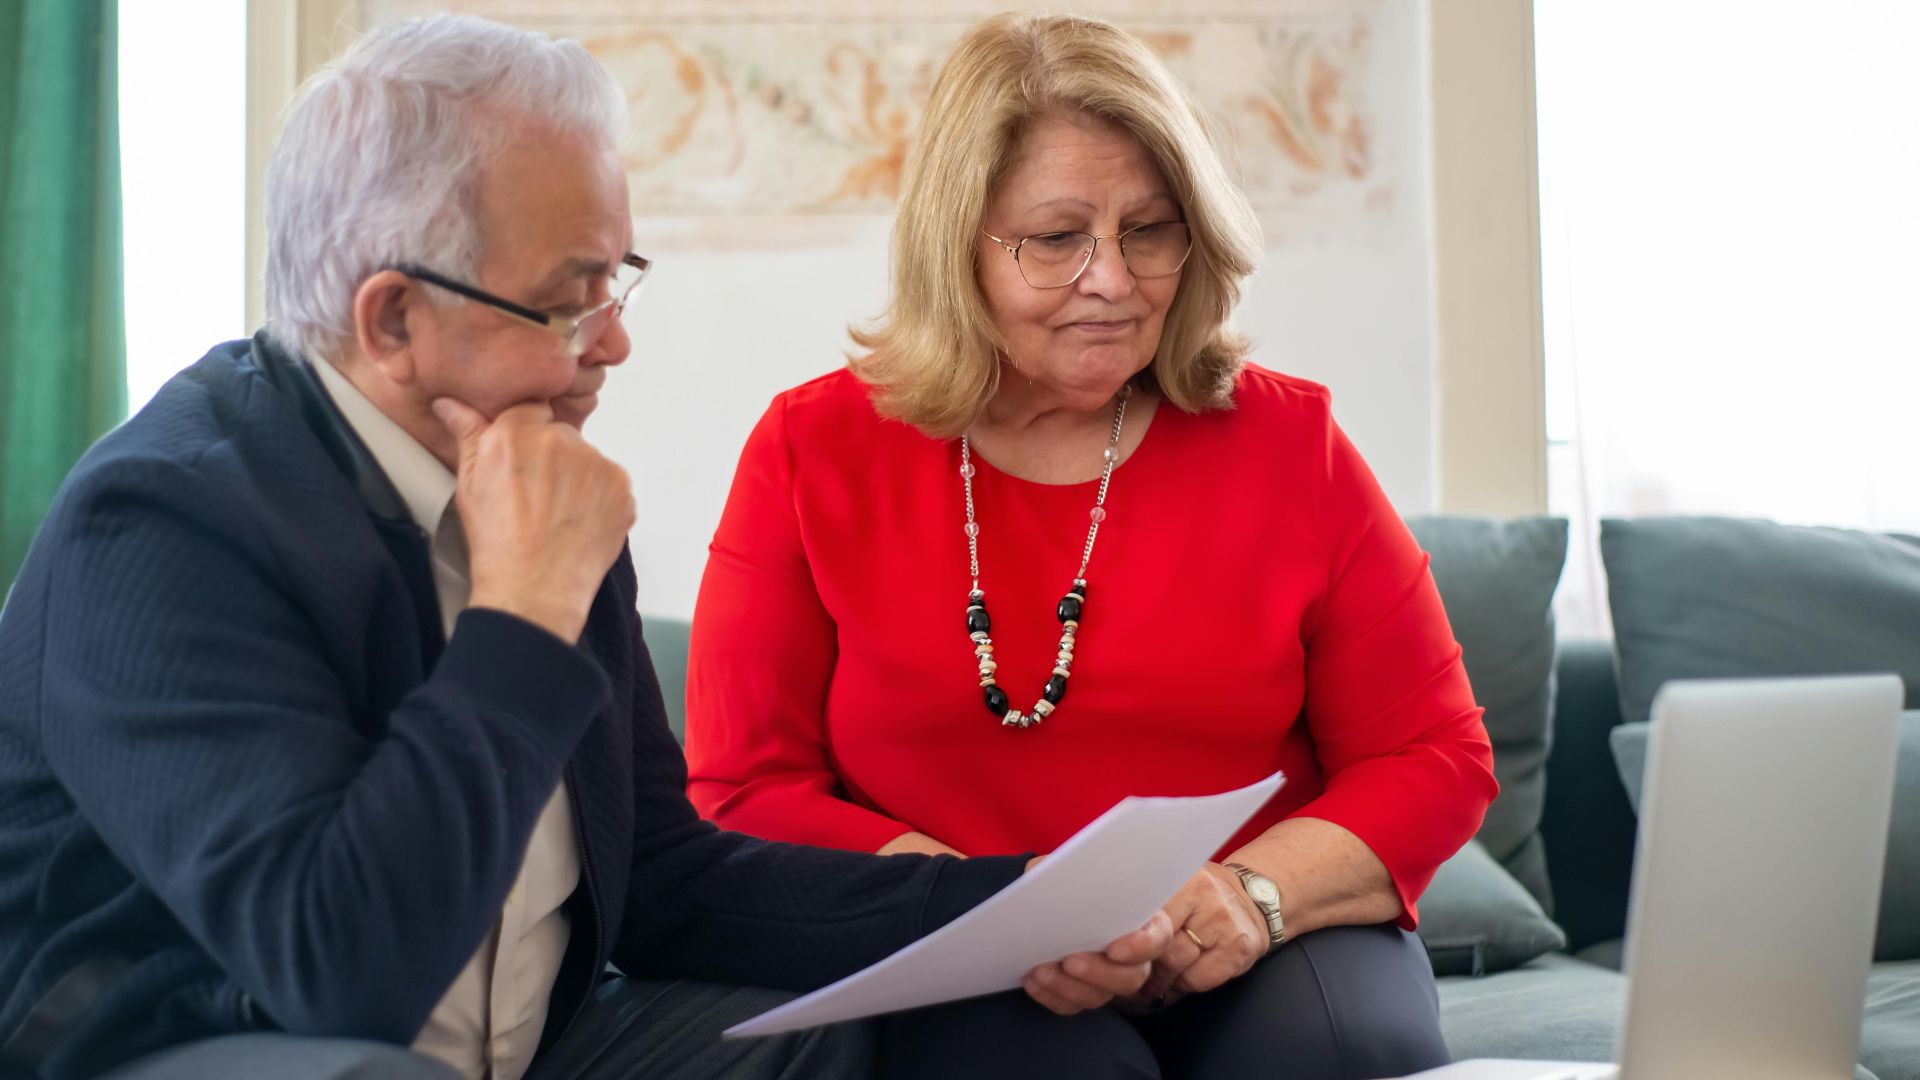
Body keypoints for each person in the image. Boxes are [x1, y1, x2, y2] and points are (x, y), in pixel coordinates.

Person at [0, 15, 1170, 1080]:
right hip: (221, 1051)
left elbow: (667, 878)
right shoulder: (165, 523)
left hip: (541, 1047)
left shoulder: (536, 473)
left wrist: (1017, 908)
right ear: (394, 319)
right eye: (570, 298)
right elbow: (345, 969)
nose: (611, 342)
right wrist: (520, 613)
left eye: (619, 282)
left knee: (934, 1044)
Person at [684, 13, 1499, 1080]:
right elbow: (742, 788)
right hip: (960, 943)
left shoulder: (1290, 442)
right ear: (958, 244)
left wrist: (1250, 896)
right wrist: (993, 910)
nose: (1112, 279)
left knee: (1346, 1049)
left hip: (1255, 930)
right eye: (1057, 238)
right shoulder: (811, 449)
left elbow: (1434, 755)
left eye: (1149, 230)